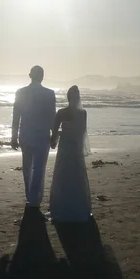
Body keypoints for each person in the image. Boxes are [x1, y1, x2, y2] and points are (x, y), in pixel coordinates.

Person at [11, 66, 57, 208]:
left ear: (30, 75)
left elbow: (16, 117)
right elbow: (52, 117)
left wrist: (13, 136)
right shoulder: (49, 93)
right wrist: (54, 135)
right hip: (42, 135)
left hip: (25, 134)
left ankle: (30, 196)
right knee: (39, 168)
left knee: (27, 167)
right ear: (42, 77)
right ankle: (35, 199)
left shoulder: (20, 92)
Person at [49, 85, 92, 222]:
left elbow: (54, 132)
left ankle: (62, 206)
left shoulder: (61, 112)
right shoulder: (83, 113)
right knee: (77, 177)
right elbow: (82, 132)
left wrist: (53, 142)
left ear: (68, 97)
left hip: (65, 147)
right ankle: (79, 206)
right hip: (76, 148)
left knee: (63, 176)